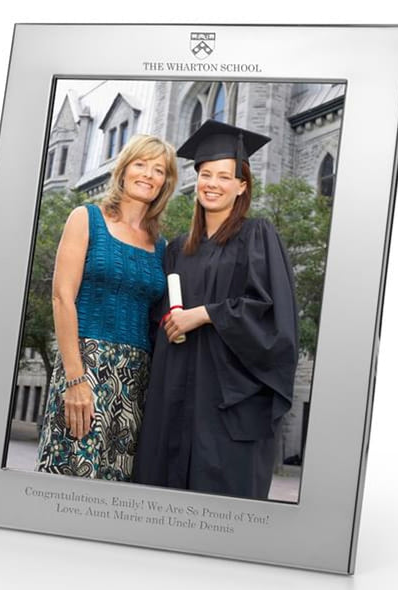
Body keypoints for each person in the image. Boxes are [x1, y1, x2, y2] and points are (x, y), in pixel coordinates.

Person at [133, 120, 298, 499]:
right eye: (206, 174)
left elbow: (273, 314)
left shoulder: (257, 235)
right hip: (175, 394)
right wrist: (169, 322)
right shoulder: (178, 249)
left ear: (242, 186)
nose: (212, 184)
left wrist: (205, 313)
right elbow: (158, 319)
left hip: (227, 403)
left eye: (225, 177)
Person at [36, 134, 178, 481]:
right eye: (140, 164)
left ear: (165, 182)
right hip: (85, 365)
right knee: (71, 476)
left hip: (135, 380)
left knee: (117, 485)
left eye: (158, 169)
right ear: (124, 169)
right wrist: (75, 378)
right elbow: (62, 297)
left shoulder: (161, 246)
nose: (148, 175)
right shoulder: (86, 219)